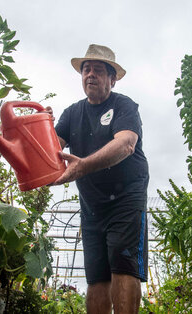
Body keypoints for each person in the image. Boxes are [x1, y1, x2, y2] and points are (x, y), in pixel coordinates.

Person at [51, 44, 149, 314]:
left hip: (127, 198)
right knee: (96, 274)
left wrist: (82, 166)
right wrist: (39, 128)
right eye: (86, 70)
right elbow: (52, 149)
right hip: (92, 206)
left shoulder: (123, 105)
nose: (90, 75)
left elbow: (126, 144)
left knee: (122, 262)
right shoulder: (72, 113)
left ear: (112, 78)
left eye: (98, 70)